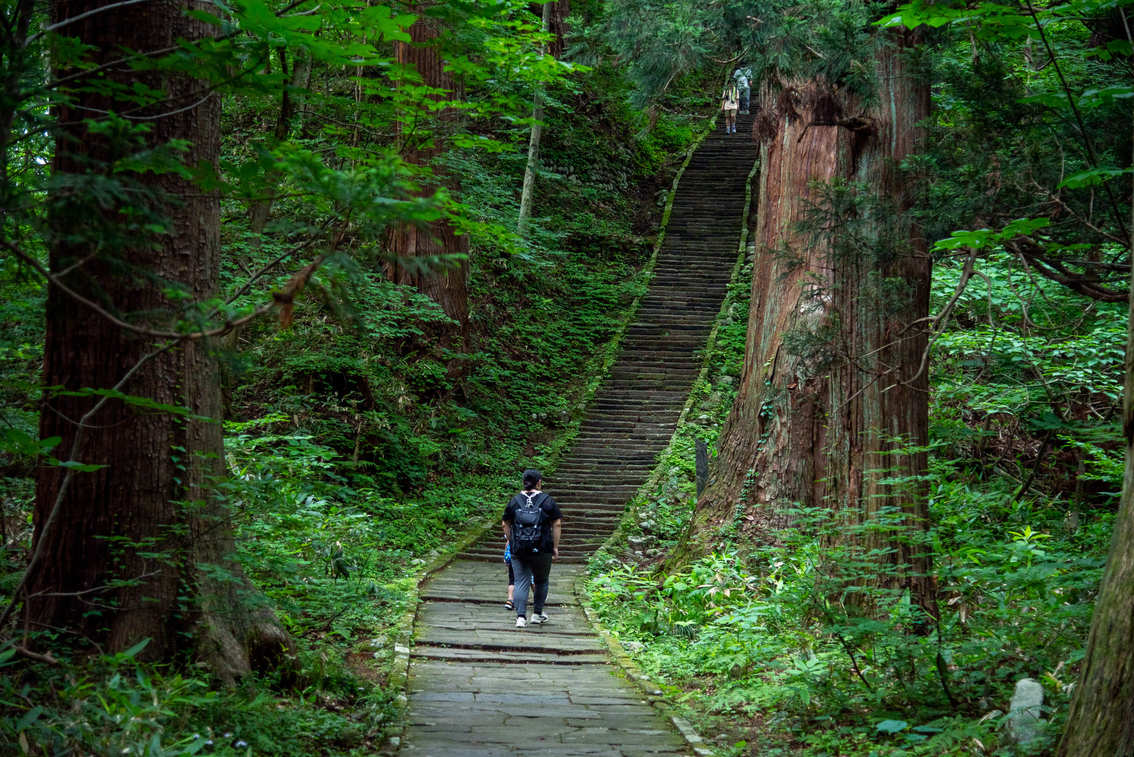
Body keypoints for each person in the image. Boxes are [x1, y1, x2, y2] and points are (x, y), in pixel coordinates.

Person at [501, 469, 562, 628]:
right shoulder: (548, 501)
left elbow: (505, 523)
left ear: (524, 482)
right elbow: (557, 524)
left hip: (519, 548)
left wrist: (510, 540)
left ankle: (521, 617)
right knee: (541, 581)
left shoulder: (514, 501)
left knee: (521, 581)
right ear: (539, 482)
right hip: (542, 548)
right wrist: (555, 547)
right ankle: (537, 613)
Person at [503, 539, 515, 610]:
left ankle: (510, 599)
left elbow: (508, 541)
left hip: (513, 556)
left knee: (512, 580)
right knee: (531, 579)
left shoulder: (514, 529)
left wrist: (506, 555)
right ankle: (539, 598)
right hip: (530, 555)